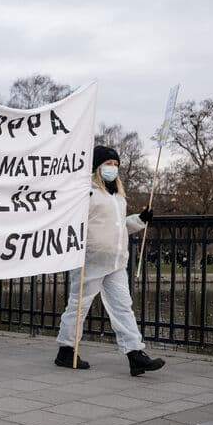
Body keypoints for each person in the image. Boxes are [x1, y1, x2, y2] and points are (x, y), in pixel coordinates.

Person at [54, 145, 166, 376]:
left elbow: (119, 226)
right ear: (97, 166)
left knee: (123, 307)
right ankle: (66, 349)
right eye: (108, 164)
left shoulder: (117, 196)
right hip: (91, 259)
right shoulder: (87, 192)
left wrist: (140, 220)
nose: (112, 168)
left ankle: (135, 354)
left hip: (116, 261)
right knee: (79, 305)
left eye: (115, 165)